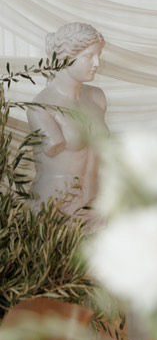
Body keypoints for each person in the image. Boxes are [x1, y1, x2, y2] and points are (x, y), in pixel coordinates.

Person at [28, 23, 108, 217]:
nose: (96, 63)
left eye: (98, 55)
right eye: (89, 56)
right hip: (57, 205)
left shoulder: (97, 98)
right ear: (64, 58)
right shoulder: (42, 107)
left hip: (94, 202)